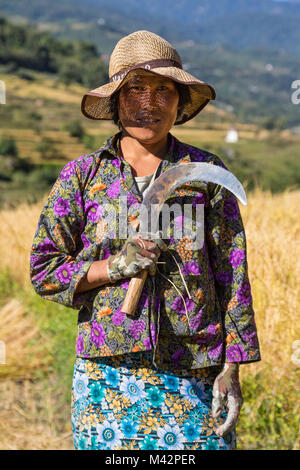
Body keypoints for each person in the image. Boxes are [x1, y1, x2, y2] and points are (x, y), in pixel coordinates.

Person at [30, 30, 261, 451]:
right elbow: (44, 271)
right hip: (107, 377)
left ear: (179, 101)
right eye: (135, 89)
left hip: (194, 370)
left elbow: (232, 273)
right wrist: (113, 268)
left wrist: (233, 367)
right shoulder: (82, 177)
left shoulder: (204, 173)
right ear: (117, 100)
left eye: (163, 90)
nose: (148, 104)